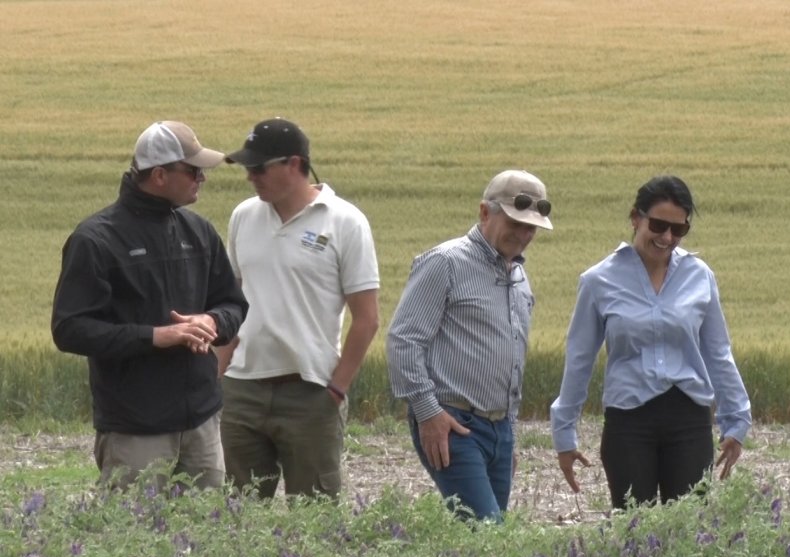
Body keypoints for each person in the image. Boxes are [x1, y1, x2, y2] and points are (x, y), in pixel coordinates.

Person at [52, 121, 248, 490]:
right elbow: (69, 329)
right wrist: (156, 337)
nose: (202, 178)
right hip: (135, 428)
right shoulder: (95, 239)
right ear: (159, 175)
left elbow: (233, 304)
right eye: (193, 170)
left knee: (207, 537)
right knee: (131, 539)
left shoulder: (199, 231)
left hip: (202, 422)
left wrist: (212, 321)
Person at [550, 175, 751, 509]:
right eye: (658, 225)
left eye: (679, 230)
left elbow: (718, 352)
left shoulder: (700, 276)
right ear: (635, 218)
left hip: (689, 418)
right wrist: (564, 435)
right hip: (629, 422)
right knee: (633, 529)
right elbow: (579, 359)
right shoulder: (599, 280)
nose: (667, 237)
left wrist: (736, 419)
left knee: (687, 531)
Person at [217, 118, 380, 499]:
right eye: (247, 169)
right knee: (237, 517)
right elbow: (232, 303)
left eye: (258, 168)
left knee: (315, 518)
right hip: (242, 389)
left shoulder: (346, 222)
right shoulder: (243, 216)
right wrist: (218, 373)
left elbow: (367, 319)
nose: (250, 178)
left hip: (310, 391)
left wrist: (336, 390)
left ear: (294, 164)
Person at [386, 169, 553, 521]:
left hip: (500, 429)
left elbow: (513, 363)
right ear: (484, 212)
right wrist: (428, 413)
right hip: (454, 422)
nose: (523, 234)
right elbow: (403, 339)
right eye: (515, 223)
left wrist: (507, 436)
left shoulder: (519, 278)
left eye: (531, 228)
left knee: (487, 543)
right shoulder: (445, 263)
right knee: (487, 532)